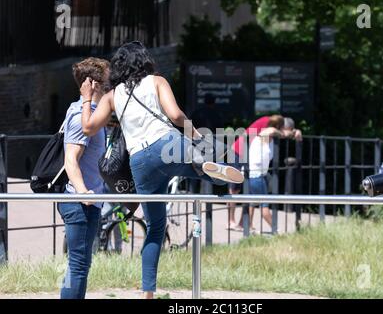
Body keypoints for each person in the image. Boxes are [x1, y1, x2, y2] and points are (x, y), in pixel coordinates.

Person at [79, 41, 244, 299]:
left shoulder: (112, 96)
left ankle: (148, 292)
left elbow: (88, 127)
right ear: (145, 61)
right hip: (167, 144)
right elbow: (176, 115)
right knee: (202, 163)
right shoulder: (156, 81)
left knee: (155, 227)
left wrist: (87, 97)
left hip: (140, 162)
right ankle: (211, 172)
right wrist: (197, 136)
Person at [57, 57, 110, 299]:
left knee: (82, 264)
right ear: (92, 84)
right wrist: (82, 191)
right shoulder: (81, 113)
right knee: (78, 264)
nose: (110, 85)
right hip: (79, 201)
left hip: (89, 200)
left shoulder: (94, 113)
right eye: (107, 80)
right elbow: (71, 159)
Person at [227, 115, 302, 231]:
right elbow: (272, 132)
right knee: (235, 189)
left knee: (251, 196)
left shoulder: (272, 131)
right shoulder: (268, 124)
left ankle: (244, 222)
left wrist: (295, 132)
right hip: (239, 151)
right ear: (282, 126)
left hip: (249, 157)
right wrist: (288, 133)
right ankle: (231, 221)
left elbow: (277, 133)